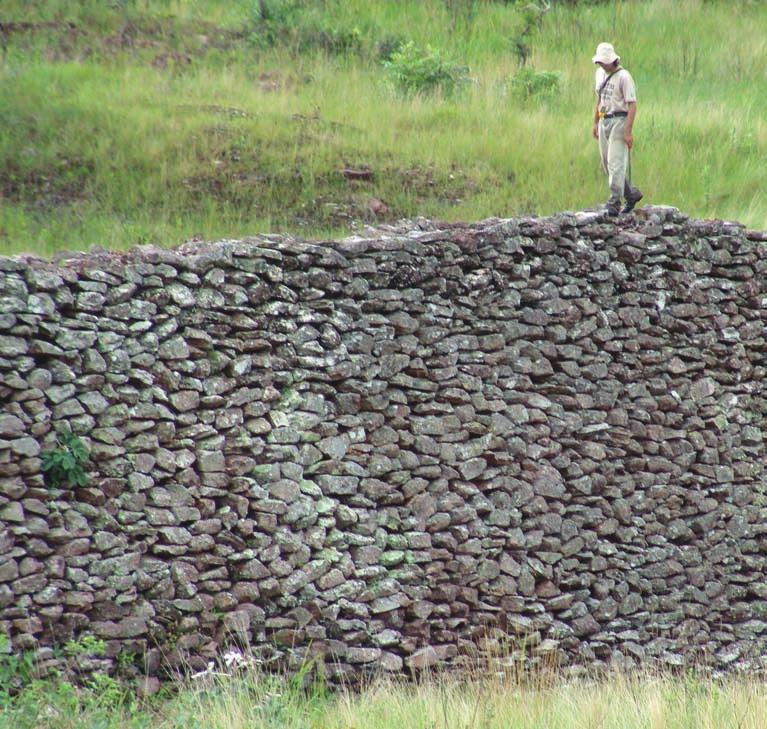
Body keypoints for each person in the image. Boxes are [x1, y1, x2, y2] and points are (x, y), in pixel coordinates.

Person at [591, 42, 643, 215]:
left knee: (616, 163)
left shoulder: (624, 77)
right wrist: (595, 122)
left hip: (619, 120)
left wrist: (628, 131)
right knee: (607, 163)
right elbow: (599, 100)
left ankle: (614, 202)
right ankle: (630, 194)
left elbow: (632, 105)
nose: (601, 65)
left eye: (603, 62)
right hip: (604, 119)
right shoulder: (599, 75)